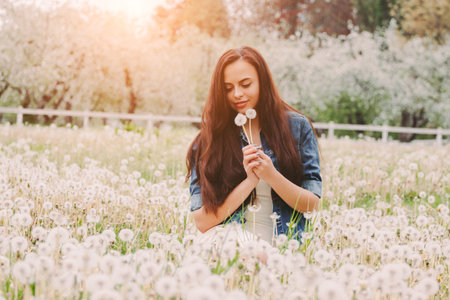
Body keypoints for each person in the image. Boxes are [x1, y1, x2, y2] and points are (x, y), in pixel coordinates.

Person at [186, 46, 321, 245]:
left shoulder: (297, 128)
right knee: (237, 250)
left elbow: (312, 205)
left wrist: (271, 176)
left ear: (262, 82)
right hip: (228, 241)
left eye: (246, 84)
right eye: (228, 88)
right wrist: (249, 181)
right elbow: (203, 222)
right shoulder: (208, 141)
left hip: (284, 244)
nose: (237, 94)